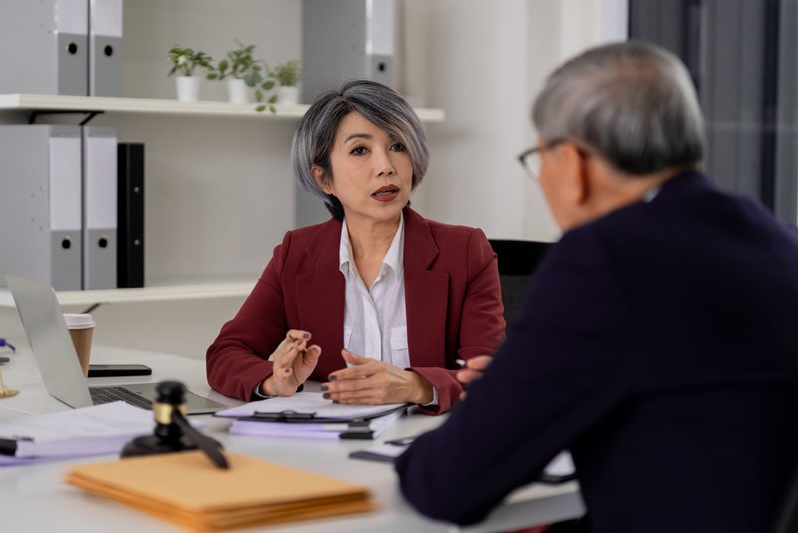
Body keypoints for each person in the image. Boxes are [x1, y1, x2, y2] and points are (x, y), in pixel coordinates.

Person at [395, 41, 798, 531]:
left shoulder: (606, 257)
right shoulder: (777, 241)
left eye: (539, 157)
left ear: (573, 162)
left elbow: (444, 483)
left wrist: (496, 401)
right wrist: (524, 381)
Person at [206, 79, 505, 413]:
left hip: (429, 442)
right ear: (324, 178)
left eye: (397, 146)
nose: (386, 166)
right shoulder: (296, 254)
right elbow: (226, 354)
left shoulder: (463, 251)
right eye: (360, 150)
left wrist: (417, 386)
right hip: (328, 446)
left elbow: (493, 377)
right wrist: (275, 380)